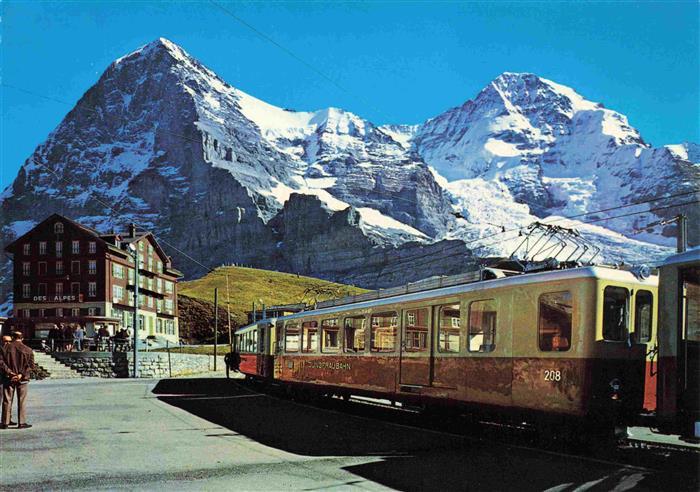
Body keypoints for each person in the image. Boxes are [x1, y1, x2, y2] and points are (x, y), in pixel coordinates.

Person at [0, 331, 34, 429]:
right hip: (22, 379)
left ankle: (5, 422)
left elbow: (1, 363)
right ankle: (22, 422)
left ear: (13, 338)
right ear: (22, 338)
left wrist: (10, 373)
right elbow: (31, 366)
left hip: (8, 378)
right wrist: (20, 374)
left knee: (7, 399)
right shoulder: (28, 350)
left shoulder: (5, 348)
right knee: (22, 400)